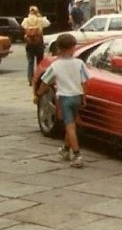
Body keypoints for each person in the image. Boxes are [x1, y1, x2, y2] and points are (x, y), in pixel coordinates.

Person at [34, 33, 88, 168]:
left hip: (65, 99)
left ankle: (77, 155)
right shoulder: (79, 63)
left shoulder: (56, 65)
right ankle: (65, 149)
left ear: (58, 49)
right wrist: (84, 97)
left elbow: (45, 81)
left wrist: (38, 94)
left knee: (69, 127)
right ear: (73, 48)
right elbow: (85, 82)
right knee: (72, 125)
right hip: (77, 97)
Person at [21, 5, 50, 85]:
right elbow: (48, 23)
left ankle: (30, 79)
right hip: (39, 42)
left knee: (30, 62)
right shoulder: (40, 20)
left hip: (29, 43)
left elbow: (22, 26)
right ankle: (39, 79)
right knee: (39, 62)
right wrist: (40, 16)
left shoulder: (26, 20)